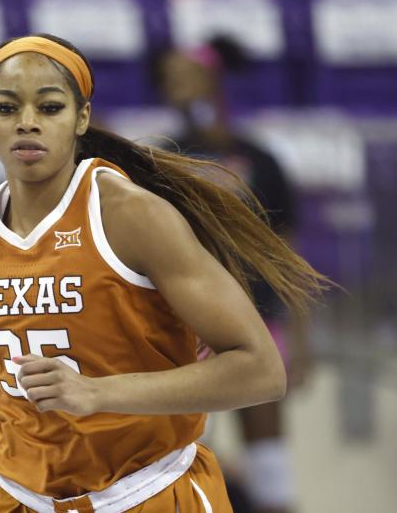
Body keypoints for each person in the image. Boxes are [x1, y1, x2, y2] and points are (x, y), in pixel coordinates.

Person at [0, 34, 327, 513]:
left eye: (49, 108)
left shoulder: (129, 215)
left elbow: (261, 368)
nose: (27, 123)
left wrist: (97, 392)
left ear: (81, 117)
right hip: (17, 497)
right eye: (7, 108)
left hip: (147, 491)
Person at [157, 37, 308, 513]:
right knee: (181, 458)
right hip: (187, 328)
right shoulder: (161, 160)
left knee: (269, 462)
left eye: (185, 75)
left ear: (213, 80)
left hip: (256, 320)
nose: (176, 86)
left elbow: (288, 253)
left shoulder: (260, 159)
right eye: (169, 79)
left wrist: (302, 339)